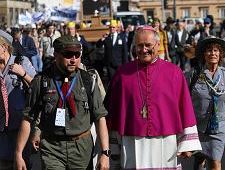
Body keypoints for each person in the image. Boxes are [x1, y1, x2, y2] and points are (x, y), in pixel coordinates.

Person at [105, 25, 201, 169]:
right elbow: (115, 112)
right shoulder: (122, 74)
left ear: (158, 45)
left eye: (148, 45)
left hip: (166, 140)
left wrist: (187, 143)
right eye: (139, 46)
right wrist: (113, 146)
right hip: (132, 139)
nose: (143, 50)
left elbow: (185, 108)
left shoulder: (174, 72)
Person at [15, 35, 110, 170]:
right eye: (68, 55)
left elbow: (100, 117)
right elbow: (27, 117)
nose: (73, 59)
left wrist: (105, 153)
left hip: (81, 149)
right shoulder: (41, 81)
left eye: (77, 55)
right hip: (52, 148)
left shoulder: (88, 80)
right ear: (56, 54)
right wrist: (18, 154)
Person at [190, 37, 225, 170]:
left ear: (220, 54)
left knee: (215, 162)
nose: (212, 53)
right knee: (199, 161)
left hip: (218, 128)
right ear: (204, 54)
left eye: (215, 50)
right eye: (209, 51)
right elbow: (184, 100)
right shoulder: (195, 74)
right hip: (198, 127)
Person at [0, 30, 36, 169]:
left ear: (4, 47)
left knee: (22, 164)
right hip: (1, 129)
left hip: (21, 127)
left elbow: (38, 87)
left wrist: (23, 73)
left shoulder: (21, 61)